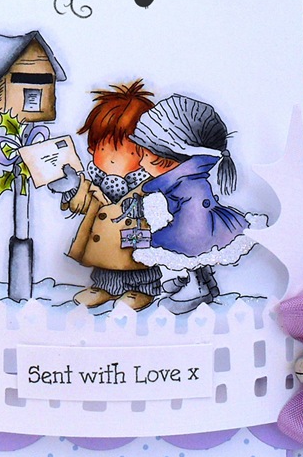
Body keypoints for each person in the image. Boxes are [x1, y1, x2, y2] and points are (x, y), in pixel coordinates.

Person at [129, 94, 259, 314]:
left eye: (144, 156)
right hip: (201, 227)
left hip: (195, 232)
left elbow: (191, 231)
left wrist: (152, 238)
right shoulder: (181, 180)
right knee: (197, 255)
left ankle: (195, 287)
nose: (140, 163)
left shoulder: (188, 187)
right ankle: (206, 281)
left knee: (192, 255)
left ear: (164, 159)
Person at [48, 80, 161, 311]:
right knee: (105, 260)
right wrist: (72, 188)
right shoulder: (95, 181)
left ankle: (142, 290)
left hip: (136, 238)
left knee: (138, 265)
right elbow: (83, 203)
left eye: (126, 151)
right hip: (103, 245)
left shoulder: (150, 184)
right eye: (103, 148)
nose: (112, 158)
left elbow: (158, 210)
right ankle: (106, 287)